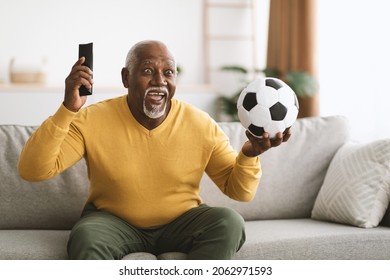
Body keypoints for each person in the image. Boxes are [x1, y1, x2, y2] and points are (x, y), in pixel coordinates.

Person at [18, 40, 291, 260]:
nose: (160, 80)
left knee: (228, 222)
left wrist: (249, 155)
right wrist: (68, 110)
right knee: (86, 236)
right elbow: (32, 170)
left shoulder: (200, 124)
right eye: (148, 71)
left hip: (181, 222)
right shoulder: (91, 119)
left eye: (168, 72)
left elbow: (239, 192)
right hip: (113, 222)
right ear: (126, 78)